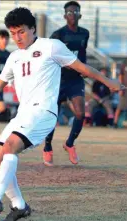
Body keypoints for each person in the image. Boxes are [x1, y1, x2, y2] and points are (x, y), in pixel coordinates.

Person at [0, 7, 126, 221]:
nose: (17, 37)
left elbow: (82, 67)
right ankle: (19, 206)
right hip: (23, 114)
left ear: (33, 29)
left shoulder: (51, 47)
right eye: (13, 33)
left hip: (44, 112)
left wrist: (108, 82)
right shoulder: (14, 57)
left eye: (21, 32)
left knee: (10, 146)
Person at [43, 1, 90, 166]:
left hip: (76, 80)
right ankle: (47, 147)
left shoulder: (85, 33)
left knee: (80, 114)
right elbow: (48, 56)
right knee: (52, 116)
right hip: (59, 79)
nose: (73, 15)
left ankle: (69, 144)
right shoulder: (58, 35)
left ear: (80, 15)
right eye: (69, 12)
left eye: (75, 12)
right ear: (64, 16)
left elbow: (82, 54)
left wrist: (83, 69)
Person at [113, 57, 127, 128]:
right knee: (120, 106)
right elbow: (120, 76)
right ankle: (115, 123)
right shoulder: (125, 63)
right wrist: (121, 88)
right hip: (125, 89)